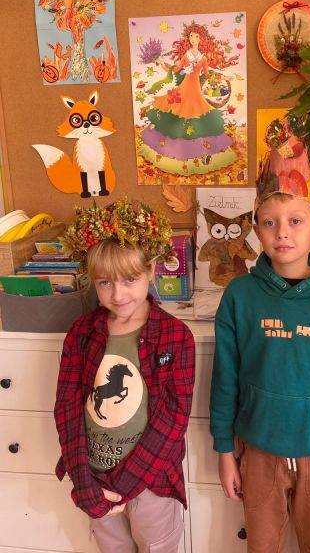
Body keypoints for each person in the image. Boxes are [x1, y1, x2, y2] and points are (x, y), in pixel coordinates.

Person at [210, 136, 310, 553]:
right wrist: (225, 450)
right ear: (256, 228)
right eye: (270, 222)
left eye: (296, 221)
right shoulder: (239, 296)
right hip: (257, 455)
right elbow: (225, 378)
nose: (282, 232)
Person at [54, 198, 195, 553]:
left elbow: (173, 419)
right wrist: (84, 482)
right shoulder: (81, 333)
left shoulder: (175, 336)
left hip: (151, 484)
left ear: (151, 271)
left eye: (130, 279)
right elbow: (67, 408)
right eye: (105, 283)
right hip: (95, 478)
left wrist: (125, 484)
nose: (118, 295)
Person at [141, 21, 239, 175]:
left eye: (196, 36)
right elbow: (176, 69)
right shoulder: (186, 55)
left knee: (200, 117)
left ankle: (204, 154)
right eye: (191, 36)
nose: (193, 39)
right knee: (180, 116)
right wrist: (161, 63)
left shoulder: (203, 58)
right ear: (188, 38)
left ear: (201, 39)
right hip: (184, 89)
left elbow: (207, 75)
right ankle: (179, 154)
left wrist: (223, 77)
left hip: (196, 91)